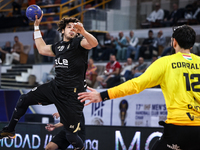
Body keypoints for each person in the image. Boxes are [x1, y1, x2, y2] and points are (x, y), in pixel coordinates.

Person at [78, 25, 200, 150]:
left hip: (178, 128)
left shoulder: (165, 62)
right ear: (192, 45)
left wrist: (103, 95)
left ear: (174, 42)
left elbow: (135, 85)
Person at [0, 13, 98, 150]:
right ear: (62, 30)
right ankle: (9, 129)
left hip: (73, 95)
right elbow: (41, 49)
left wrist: (83, 31)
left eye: (74, 28)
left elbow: (94, 43)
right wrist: (36, 27)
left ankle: (80, 148)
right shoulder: (58, 47)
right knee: (24, 99)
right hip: (56, 87)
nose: (72, 29)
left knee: (70, 135)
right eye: (69, 27)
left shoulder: (79, 43)